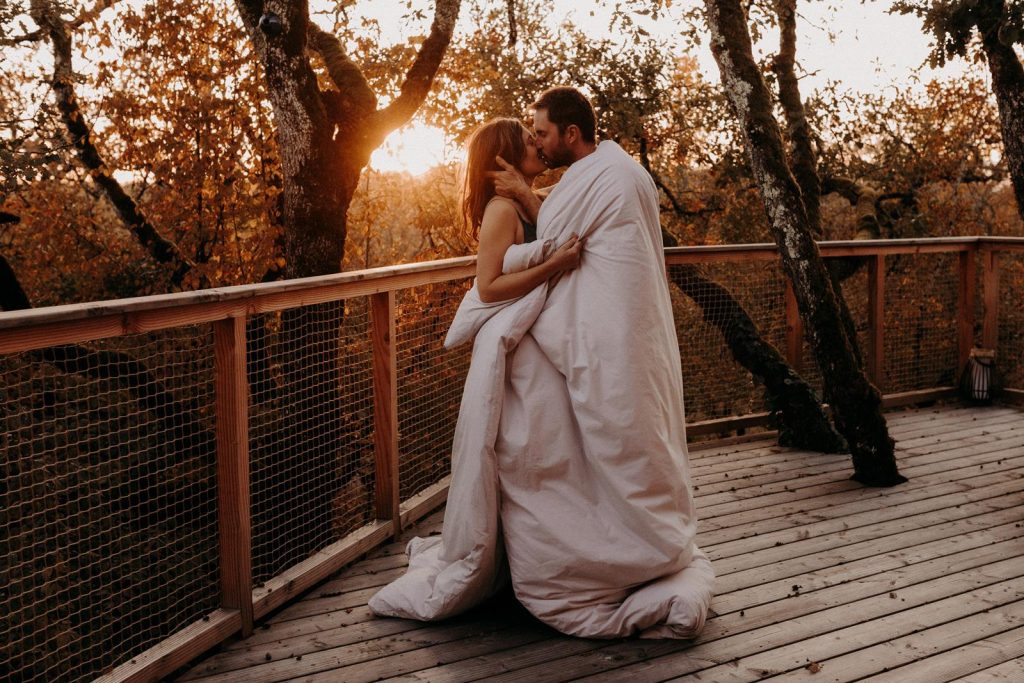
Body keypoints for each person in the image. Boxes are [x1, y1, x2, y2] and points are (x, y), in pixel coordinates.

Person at [370, 88, 714, 639]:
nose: (537, 143)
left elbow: (556, 229)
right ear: (505, 157)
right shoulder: (514, 204)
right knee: (532, 456)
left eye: (541, 134)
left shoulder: (568, 186)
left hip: (546, 344)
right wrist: (551, 259)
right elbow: (492, 282)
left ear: (569, 135)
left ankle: (581, 553)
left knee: (554, 456)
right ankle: (548, 562)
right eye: (528, 139)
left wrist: (540, 227)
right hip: (526, 347)